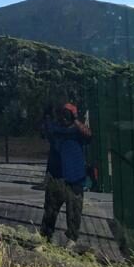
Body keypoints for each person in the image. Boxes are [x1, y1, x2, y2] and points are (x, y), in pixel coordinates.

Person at [39, 102, 92, 247]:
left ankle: (71, 239)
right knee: (50, 210)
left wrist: (74, 119)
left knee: (74, 210)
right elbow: (44, 129)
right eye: (63, 114)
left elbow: (88, 135)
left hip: (74, 176)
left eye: (66, 115)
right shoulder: (57, 130)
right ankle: (45, 238)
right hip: (57, 176)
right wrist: (49, 115)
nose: (64, 117)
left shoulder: (77, 131)